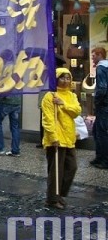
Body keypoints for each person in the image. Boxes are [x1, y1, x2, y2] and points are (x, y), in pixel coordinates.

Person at [40, 68, 81, 209]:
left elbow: (77, 111)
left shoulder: (71, 95)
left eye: (68, 78)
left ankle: (60, 194)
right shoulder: (49, 96)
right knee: (56, 171)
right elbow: (48, 119)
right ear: (56, 79)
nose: (66, 81)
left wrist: (63, 104)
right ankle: (52, 199)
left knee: (72, 167)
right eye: (62, 78)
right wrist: (53, 137)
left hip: (69, 137)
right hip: (56, 139)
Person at [0, 50, 22, 156]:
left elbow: (4, 84)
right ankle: (15, 150)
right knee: (15, 126)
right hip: (17, 101)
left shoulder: (5, 68)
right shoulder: (17, 68)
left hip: (6, 100)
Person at [91, 47, 108, 169]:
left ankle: (104, 160)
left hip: (103, 105)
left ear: (100, 55)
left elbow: (102, 88)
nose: (92, 58)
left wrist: (96, 102)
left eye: (94, 55)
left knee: (101, 133)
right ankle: (99, 157)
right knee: (97, 131)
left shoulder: (101, 68)